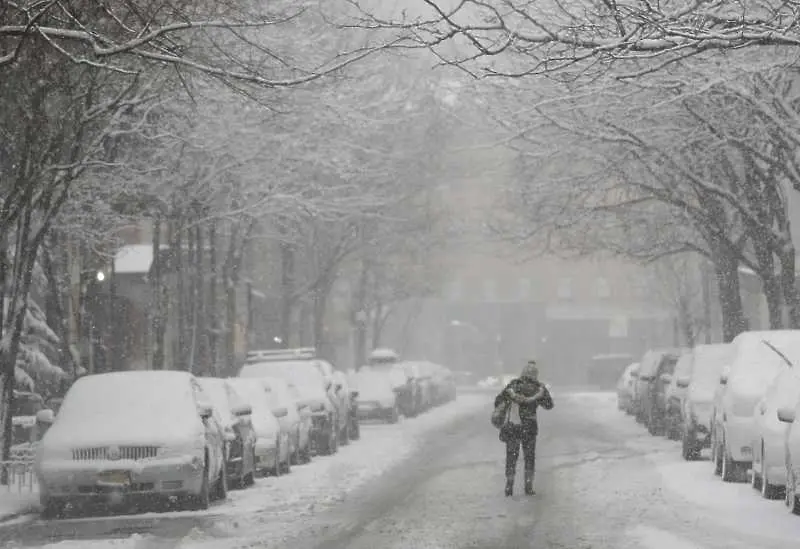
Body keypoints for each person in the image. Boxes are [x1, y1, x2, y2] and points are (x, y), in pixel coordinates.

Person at [494, 360, 553, 496]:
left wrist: (510, 401)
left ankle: (509, 484)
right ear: (535, 375)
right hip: (529, 427)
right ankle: (528, 485)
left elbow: (498, 400)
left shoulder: (514, 385)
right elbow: (549, 405)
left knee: (511, 456)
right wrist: (541, 395)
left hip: (513, 427)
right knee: (529, 457)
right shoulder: (538, 388)